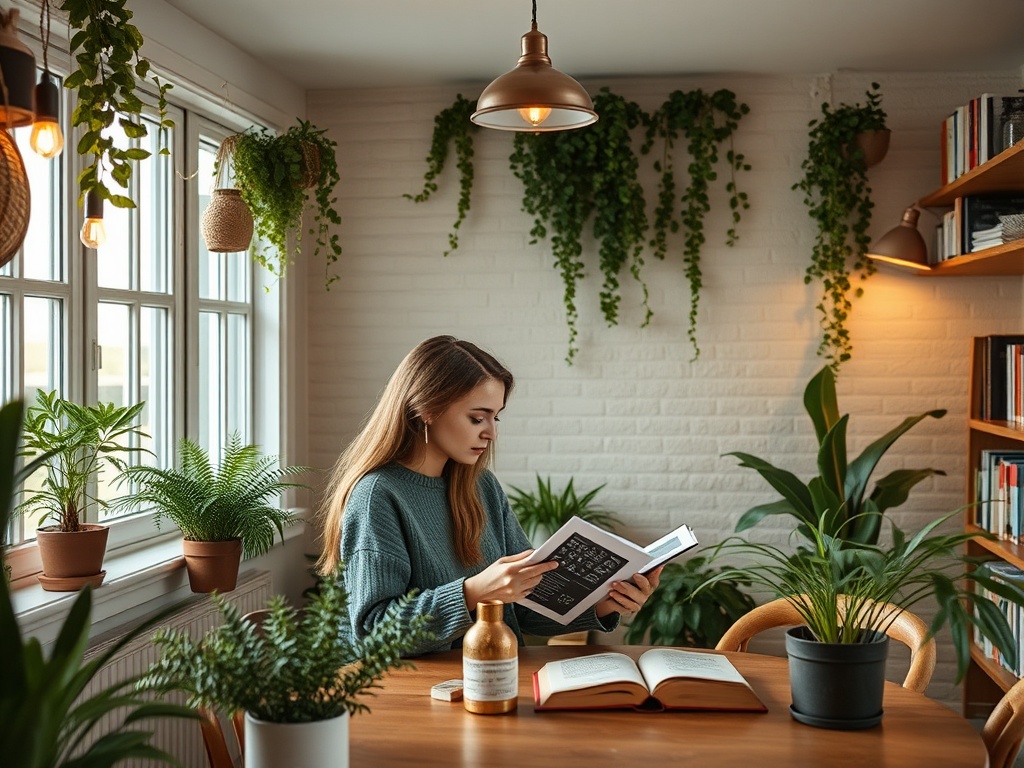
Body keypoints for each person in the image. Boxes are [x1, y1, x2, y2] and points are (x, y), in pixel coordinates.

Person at [317, 335, 661, 655]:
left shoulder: (482, 488)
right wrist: (473, 592)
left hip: (492, 676)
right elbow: (374, 632)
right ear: (426, 409)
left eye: (495, 417)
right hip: (416, 695)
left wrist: (605, 602)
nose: (491, 433)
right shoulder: (378, 496)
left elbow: (524, 611)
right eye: (477, 417)